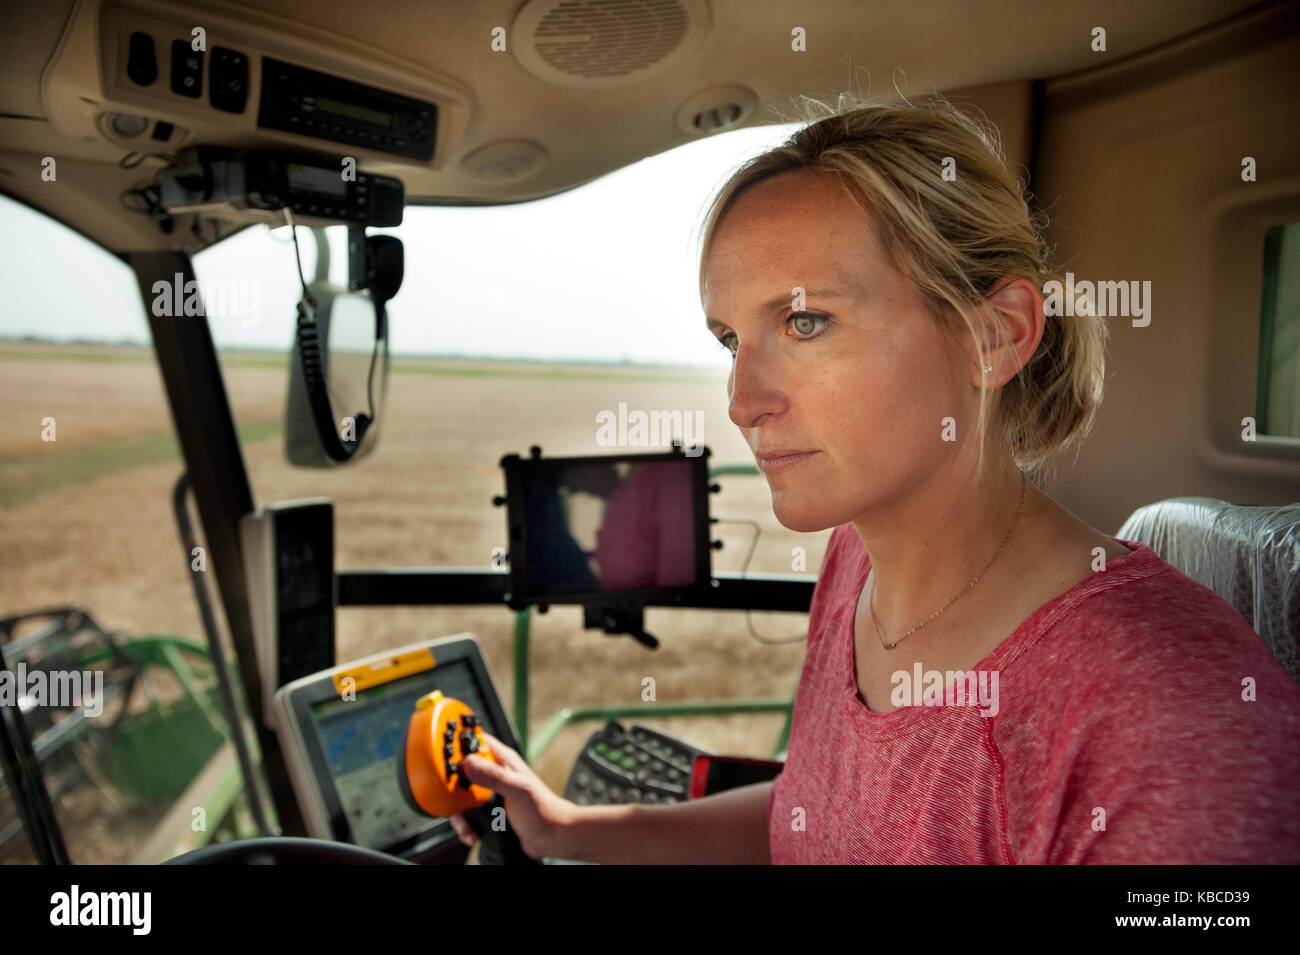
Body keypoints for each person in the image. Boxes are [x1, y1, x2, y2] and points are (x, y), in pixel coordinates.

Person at [450, 93, 1300, 864]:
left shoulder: (1174, 723)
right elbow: (812, 816)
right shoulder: (855, 561)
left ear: (993, 337)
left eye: (807, 321)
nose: (743, 401)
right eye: (729, 340)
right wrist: (564, 826)